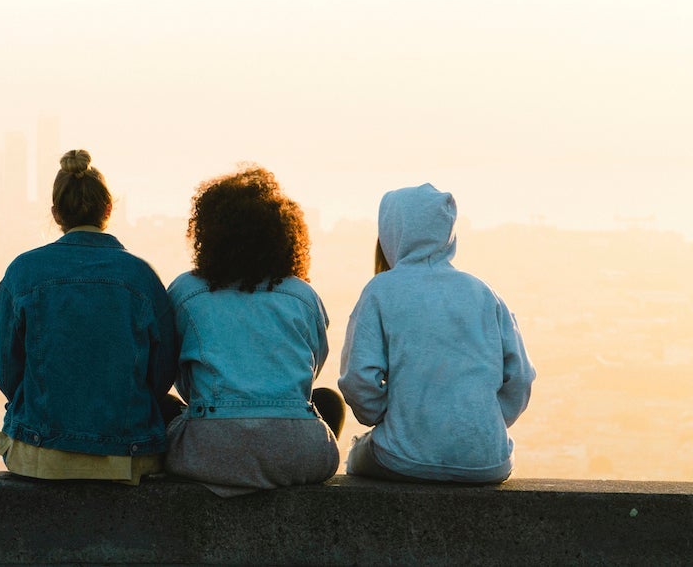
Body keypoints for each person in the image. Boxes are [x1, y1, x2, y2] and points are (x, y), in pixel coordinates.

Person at [0, 149, 179, 484]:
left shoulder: (22, 271)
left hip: (40, 454)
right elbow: (162, 373)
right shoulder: (141, 276)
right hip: (128, 455)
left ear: (55, 213)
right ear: (108, 209)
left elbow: (7, 370)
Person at [163, 165, 344, 497]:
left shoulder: (185, 292)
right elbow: (311, 369)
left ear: (208, 233)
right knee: (328, 401)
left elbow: (175, 372)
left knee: (163, 406)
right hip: (298, 454)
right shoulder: (302, 295)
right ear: (283, 234)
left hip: (210, 453)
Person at [339, 183, 536, 484]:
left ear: (391, 231)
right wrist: (485, 420)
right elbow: (520, 377)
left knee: (357, 453)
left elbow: (358, 380)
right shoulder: (484, 293)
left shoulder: (381, 290)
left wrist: (384, 417)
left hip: (402, 459)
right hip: (488, 461)